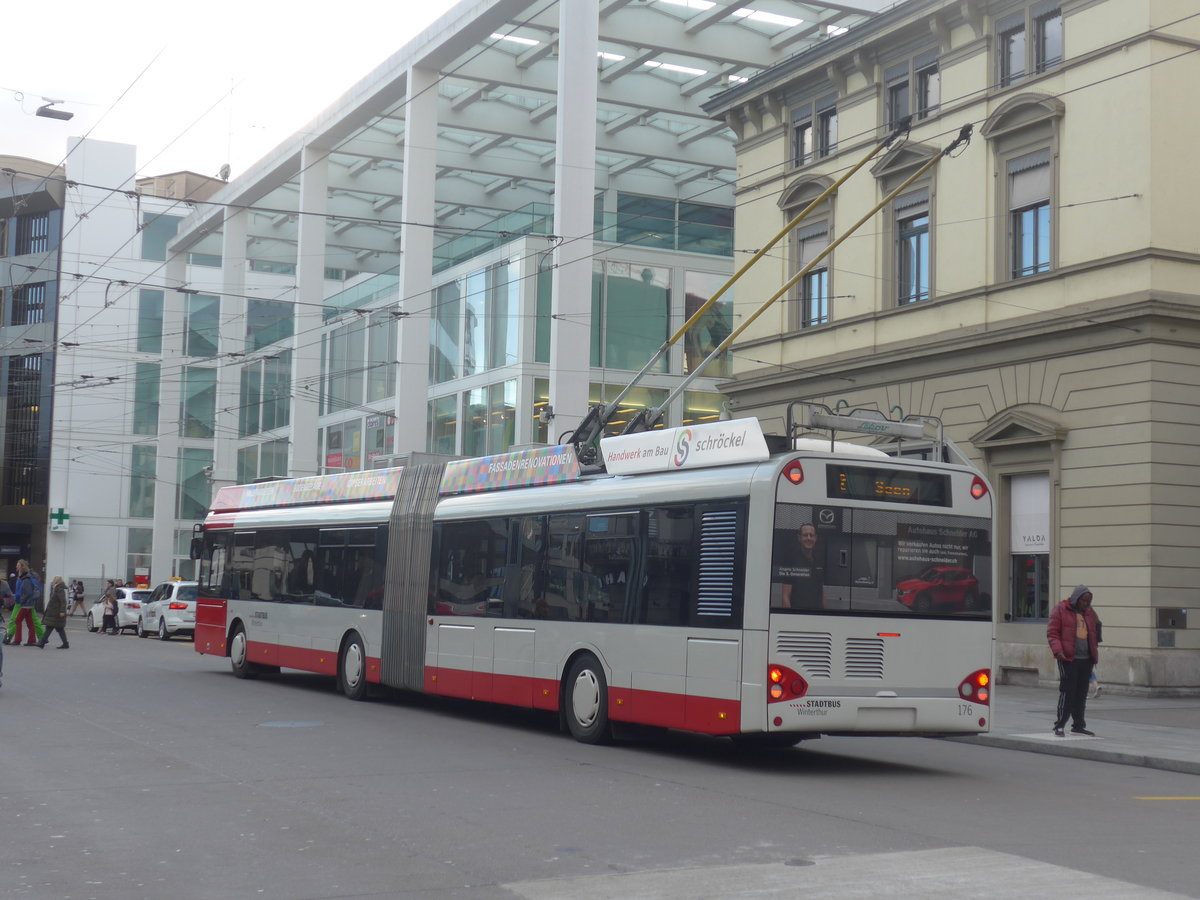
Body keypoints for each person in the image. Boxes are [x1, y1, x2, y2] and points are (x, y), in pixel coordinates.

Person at [1047, 585, 1100, 737]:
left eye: (1089, 601)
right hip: (1068, 658)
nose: (1086, 604)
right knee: (1068, 691)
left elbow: (1095, 633)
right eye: (1084, 600)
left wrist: (1094, 651)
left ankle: (1078, 725)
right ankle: (1060, 724)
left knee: (1081, 693)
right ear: (1077, 598)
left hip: (1086, 659)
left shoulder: (1089, 613)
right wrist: (1058, 651)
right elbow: (1052, 632)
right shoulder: (1060, 609)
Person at [778, 523, 825, 610]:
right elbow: (785, 596)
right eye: (805, 535)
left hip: (817, 615)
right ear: (799, 538)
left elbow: (822, 592)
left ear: (816, 538)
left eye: (811, 535)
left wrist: (826, 616)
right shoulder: (790, 560)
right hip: (798, 615)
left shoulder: (819, 559)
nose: (808, 538)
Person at [4, 560, 45, 646]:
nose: (16, 567)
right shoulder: (23, 576)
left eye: (18, 565)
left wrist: (18, 597)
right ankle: (41, 637)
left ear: (22, 566)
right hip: (26, 602)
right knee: (32, 621)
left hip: (22, 602)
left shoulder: (25, 577)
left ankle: (10, 637)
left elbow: (26, 591)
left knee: (15, 620)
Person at [37, 576, 70, 649]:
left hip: (56, 613)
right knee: (59, 629)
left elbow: (63, 601)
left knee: (49, 628)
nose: (52, 581)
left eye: (54, 580)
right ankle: (65, 643)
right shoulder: (56, 589)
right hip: (54, 613)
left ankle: (42, 643)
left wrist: (62, 611)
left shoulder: (59, 589)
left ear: (57, 581)